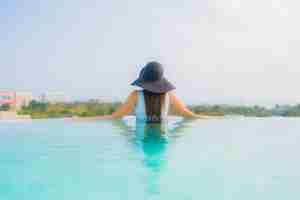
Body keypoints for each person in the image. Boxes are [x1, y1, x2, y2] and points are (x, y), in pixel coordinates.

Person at [72, 61, 219, 122]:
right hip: (162, 140)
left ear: (143, 81)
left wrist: (81, 119)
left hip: (142, 139)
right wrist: (217, 119)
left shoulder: (135, 96)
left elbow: (114, 117)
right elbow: (191, 116)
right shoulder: (169, 97)